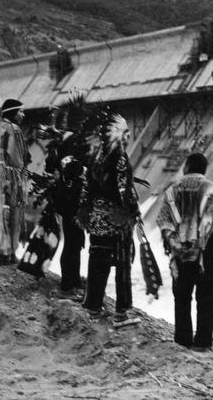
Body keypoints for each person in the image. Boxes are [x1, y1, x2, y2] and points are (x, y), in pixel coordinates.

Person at [76, 110, 140, 326]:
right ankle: (121, 313)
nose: (129, 136)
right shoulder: (120, 157)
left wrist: (87, 212)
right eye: (126, 131)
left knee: (97, 264)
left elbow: (86, 189)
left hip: (96, 220)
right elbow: (124, 190)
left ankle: (93, 307)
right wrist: (133, 210)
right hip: (117, 222)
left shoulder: (95, 156)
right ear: (117, 134)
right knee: (123, 266)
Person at [157, 152, 213, 351]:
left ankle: (183, 339)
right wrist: (199, 244)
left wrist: (175, 241)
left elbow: (164, 219)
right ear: (204, 168)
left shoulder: (172, 190)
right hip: (205, 251)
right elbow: (209, 220)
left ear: (186, 167)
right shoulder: (212, 188)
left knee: (182, 296)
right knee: (208, 296)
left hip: (180, 250)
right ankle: (202, 342)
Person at [0, 98, 30, 265]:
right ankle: (10, 252)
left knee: (2, 213)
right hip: (12, 178)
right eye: (20, 111)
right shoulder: (14, 129)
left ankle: (1, 251)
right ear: (13, 113)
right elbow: (19, 158)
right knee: (14, 214)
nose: (23, 114)